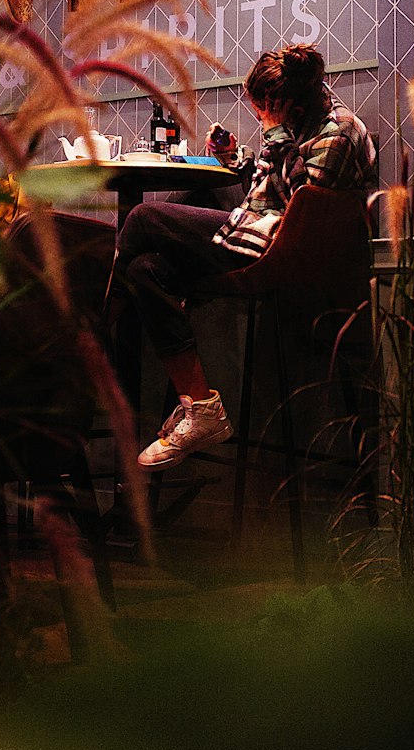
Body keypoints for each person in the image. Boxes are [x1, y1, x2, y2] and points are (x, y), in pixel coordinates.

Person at [110, 43, 375, 469]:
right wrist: (236, 157)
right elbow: (272, 183)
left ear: (284, 104)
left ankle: (97, 341)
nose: (258, 118)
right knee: (146, 269)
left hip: (282, 253)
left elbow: (297, 205)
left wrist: (273, 135)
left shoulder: (340, 132)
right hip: (259, 234)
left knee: (142, 217)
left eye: (262, 110)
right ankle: (201, 408)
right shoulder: (300, 129)